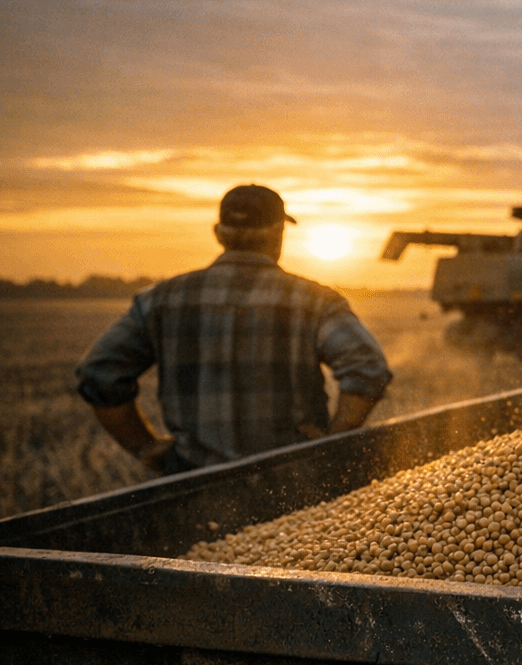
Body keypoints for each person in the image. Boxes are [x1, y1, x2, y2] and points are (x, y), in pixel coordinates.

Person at [77, 184, 393, 475]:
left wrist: (144, 447)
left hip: (193, 482)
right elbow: (367, 367)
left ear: (218, 232)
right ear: (277, 233)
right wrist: (331, 443)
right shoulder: (313, 301)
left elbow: (99, 374)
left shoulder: (158, 300)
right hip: (294, 479)